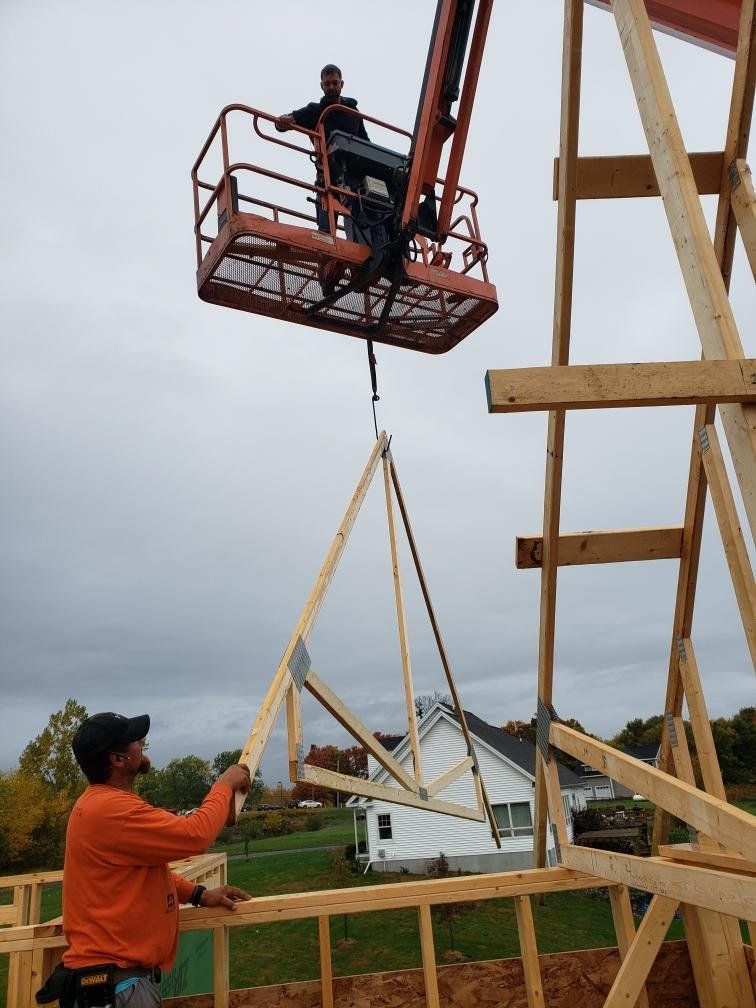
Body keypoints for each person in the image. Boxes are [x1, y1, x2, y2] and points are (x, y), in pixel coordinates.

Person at [38, 712, 251, 1008]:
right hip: (116, 989)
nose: (141, 743)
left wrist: (199, 894)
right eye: (134, 740)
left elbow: (143, 873)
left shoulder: (102, 805)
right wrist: (224, 785)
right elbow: (196, 835)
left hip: (117, 985)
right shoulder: (111, 809)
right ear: (117, 759)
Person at [276, 64, 370, 245]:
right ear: (322, 86)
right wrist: (284, 121)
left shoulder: (353, 112)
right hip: (329, 174)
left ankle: (363, 246)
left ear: (342, 84)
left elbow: (365, 141)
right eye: (328, 84)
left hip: (354, 175)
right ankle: (327, 249)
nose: (332, 87)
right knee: (326, 229)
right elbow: (283, 124)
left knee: (362, 218)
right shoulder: (316, 111)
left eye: (335, 83)